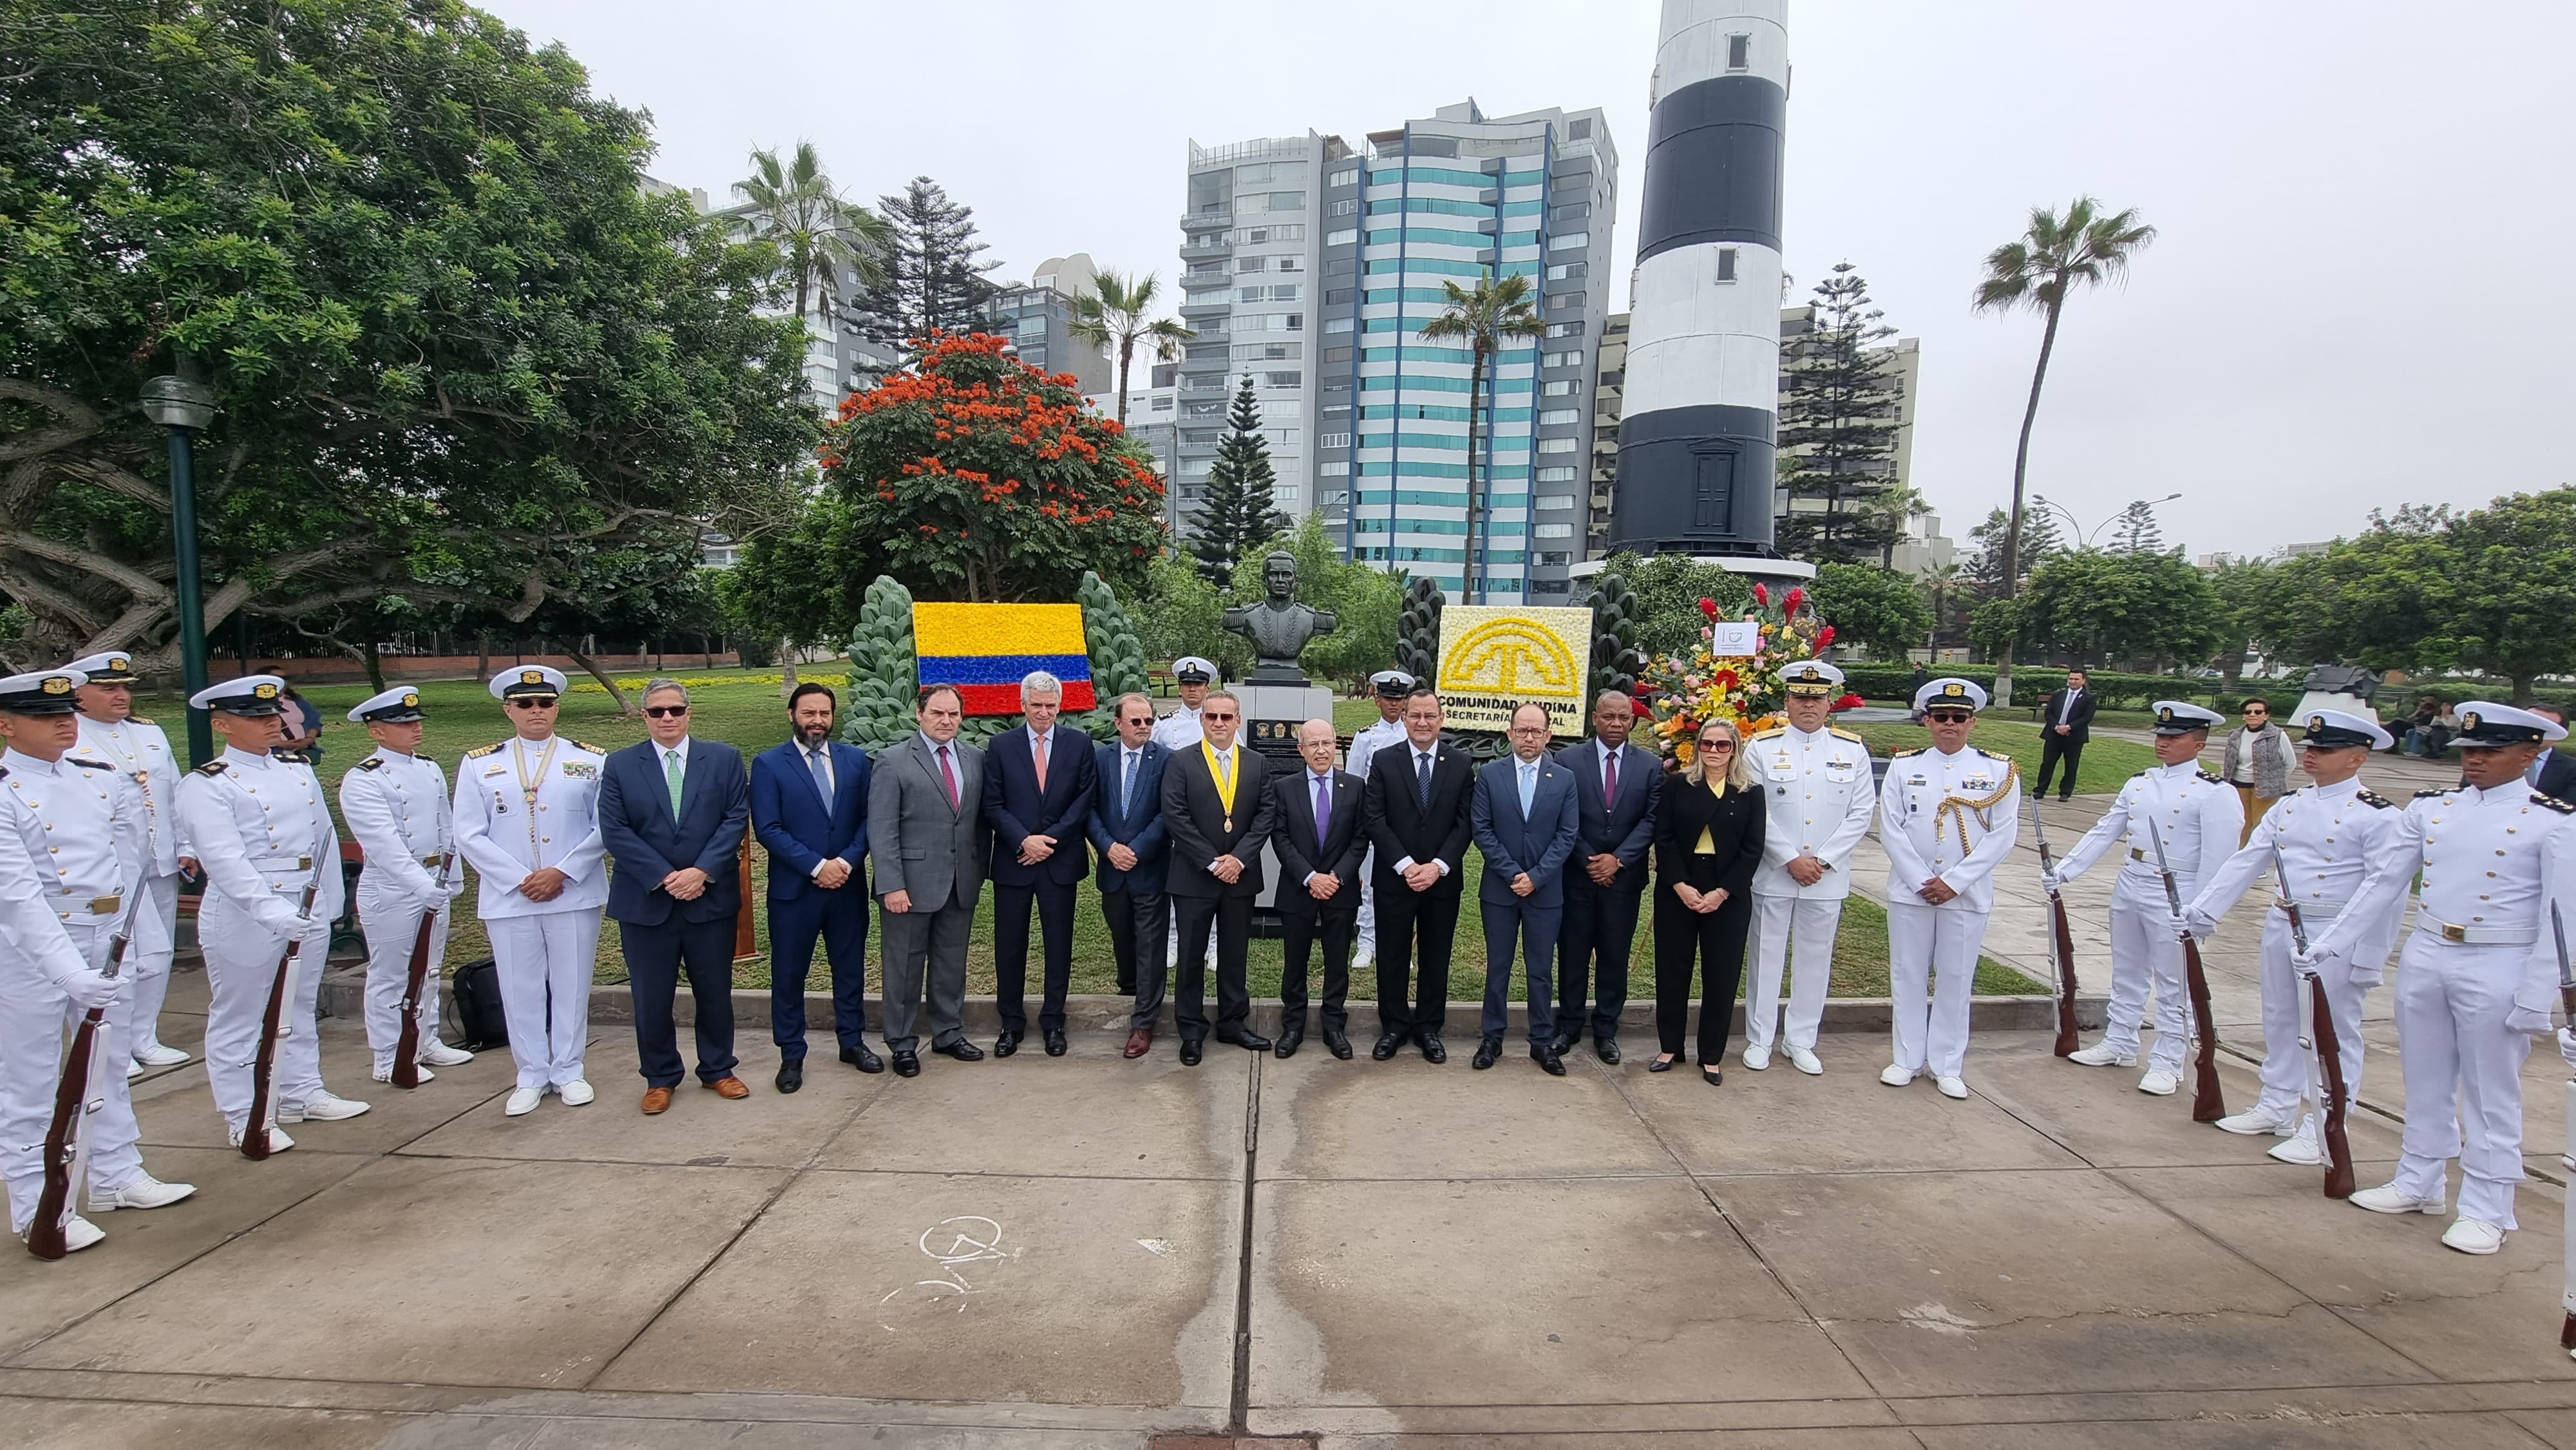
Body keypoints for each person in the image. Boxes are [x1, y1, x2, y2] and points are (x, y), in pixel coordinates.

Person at [2310, 702, 2576, 1255]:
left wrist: (2538, 995)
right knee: (2424, 1077)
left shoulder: (2553, 821)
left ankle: (2488, 1206)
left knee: (2489, 1089)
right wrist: (2332, 939)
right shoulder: (2433, 810)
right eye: (2470, 750)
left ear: (2532, 753)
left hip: (2500, 958)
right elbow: (2383, 883)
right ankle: (2419, 1178)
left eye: (2491, 751)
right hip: (2429, 949)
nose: (2475, 760)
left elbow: (2562, 921)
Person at [1, 667, 194, 1253]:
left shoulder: (96, 778)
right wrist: (68, 971)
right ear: (6, 725)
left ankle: (116, 1173)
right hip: (31, 950)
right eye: (44, 715)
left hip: (104, 936)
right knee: (30, 1083)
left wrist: (125, 943)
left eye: (65, 712)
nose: (64, 722)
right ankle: (37, 1204)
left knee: (106, 1069)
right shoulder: (5, 789)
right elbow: (17, 894)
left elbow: (125, 868)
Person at [2184, 710, 2405, 1161]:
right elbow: (2248, 860)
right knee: (2281, 1019)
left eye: (2325, 749)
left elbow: (2387, 893)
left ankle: (2324, 1122)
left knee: (2333, 1031)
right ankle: (2276, 1104)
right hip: (2283, 921)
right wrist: (2204, 910)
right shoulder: (2290, 805)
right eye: (2310, 747)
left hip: (2335, 930)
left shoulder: (2378, 817)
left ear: (2358, 758)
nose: (2312, 755)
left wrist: (2367, 959)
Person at [178, 674, 368, 1147]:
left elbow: (322, 839)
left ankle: (302, 1091)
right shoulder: (206, 784)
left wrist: (328, 902)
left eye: (271, 714)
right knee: (240, 1014)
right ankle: (243, 1114)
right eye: (255, 716)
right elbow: (224, 861)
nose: (269, 723)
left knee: (298, 1005)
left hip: (304, 901)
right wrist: (270, 910)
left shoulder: (295, 768)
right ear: (222, 724)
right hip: (248, 909)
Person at [2052, 701, 2244, 1095]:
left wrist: (2204, 910)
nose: (2163, 742)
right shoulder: (2139, 782)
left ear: (2198, 745)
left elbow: (2220, 859)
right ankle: (2120, 1041)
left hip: (2177, 890)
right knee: (2127, 969)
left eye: (2174, 737)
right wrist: (2066, 869)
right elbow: (2107, 829)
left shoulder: (2215, 793)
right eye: (2160, 735)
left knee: (2174, 980)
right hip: (2132, 879)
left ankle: (2169, 1060)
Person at [451, 665, 609, 1117]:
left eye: (545, 703)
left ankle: (569, 1068)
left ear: (557, 706)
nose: (536, 711)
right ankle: (531, 1073)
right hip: (511, 895)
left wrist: (562, 871)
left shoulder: (590, 759)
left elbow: (605, 827)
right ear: (509, 709)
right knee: (520, 988)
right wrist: (519, 877)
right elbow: (468, 832)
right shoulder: (481, 763)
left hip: (572, 892)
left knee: (571, 983)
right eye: (525, 704)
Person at [596, 680, 751, 1113]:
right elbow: (616, 831)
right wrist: (666, 877)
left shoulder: (723, 759)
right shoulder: (621, 765)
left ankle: (719, 1069)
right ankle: (660, 1077)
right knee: (651, 995)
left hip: (708, 898)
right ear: (644, 716)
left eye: (676, 710)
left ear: (689, 713)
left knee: (715, 991)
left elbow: (735, 818)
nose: (668, 718)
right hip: (647, 903)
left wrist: (701, 871)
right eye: (658, 711)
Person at [1877, 679, 2023, 1097]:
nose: (1949, 725)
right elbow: (1891, 828)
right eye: (1941, 717)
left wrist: (1954, 882)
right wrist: (1923, 881)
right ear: (1927, 721)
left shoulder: (1998, 770)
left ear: (1972, 722)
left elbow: (2002, 835)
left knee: (1956, 979)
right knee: (1907, 974)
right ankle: (1906, 1057)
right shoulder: (1905, 767)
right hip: (1913, 891)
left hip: (1966, 894)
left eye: (1959, 718)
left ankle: (1946, 1064)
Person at [1743, 663, 1877, 1076]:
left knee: (1815, 960)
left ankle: (1800, 1039)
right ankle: (1760, 1039)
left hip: (1826, 875)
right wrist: (1789, 858)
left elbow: (1860, 813)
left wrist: (1820, 860)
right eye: (1800, 697)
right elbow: (1754, 811)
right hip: (1774, 872)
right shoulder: (1761, 748)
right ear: (1786, 701)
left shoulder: (1851, 750)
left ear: (1829, 703)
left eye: (1816, 698)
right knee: (1765, 957)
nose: (1808, 705)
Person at [65, 651, 194, 1075]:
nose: (121, 696)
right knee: (114, 955)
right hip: (107, 869)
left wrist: (186, 844)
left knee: (158, 953)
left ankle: (145, 1035)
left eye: (124, 687)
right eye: (108, 689)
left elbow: (174, 792)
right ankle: (110, 1040)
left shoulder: (149, 732)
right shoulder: (70, 739)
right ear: (78, 693)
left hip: (157, 860)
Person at [337, 687, 473, 1085]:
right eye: (403, 724)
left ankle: (426, 1039)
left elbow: (447, 825)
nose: (415, 729)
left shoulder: (428, 767)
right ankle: (388, 1052)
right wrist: (419, 884)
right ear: (377, 732)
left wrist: (454, 876)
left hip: (434, 877)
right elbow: (382, 843)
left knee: (428, 968)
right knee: (392, 972)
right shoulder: (364, 779)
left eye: (416, 721)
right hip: (394, 884)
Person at [750, 683, 878, 1090]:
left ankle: (851, 1041)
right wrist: (816, 866)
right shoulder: (769, 764)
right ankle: (791, 1054)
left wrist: (844, 862)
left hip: (846, 885)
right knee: (789, 974)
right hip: (795, 892)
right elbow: (768, 828)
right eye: (809, 713)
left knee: (849, 968)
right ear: (792, 715)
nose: (817, 721)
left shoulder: (856, 761)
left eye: (824, 713)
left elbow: (868, 820)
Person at [867, 685, 989, 1077]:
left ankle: (948, 1032)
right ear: (919, 714)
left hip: (960, 881)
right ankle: (902, 1042)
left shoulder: (974, 759)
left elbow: (977, 823)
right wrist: (891, 885)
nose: (946, 721)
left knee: (951, 963)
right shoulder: (893, 761)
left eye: (953, 714)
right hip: (910, 885)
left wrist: (978, 869)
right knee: (903, 967)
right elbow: (882, 829)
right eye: (938, 713)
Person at [983, 670, 1098, 1059]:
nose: (1044, 712)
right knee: (1010, 947)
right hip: (1015, 861)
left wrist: (1049, 841)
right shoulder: (1000, 746)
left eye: (1051, 706)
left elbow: (1083, 800)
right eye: (1037, 705)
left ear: (1060, 706)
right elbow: (993, 804)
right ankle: (1010, 1024)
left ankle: (1053, 1022)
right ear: (1023, 705)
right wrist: (1024, 840)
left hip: (1059, 861)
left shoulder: (1080, 745)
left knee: (1058, 945)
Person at [1160, 689, 1278, 1063]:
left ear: (1238, 721)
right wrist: (1213, 862)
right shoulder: (1181, 762)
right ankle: (1192, 1031)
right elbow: (1175, 817)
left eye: (1227, 718)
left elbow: (1265, 816)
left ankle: (1232, 1024)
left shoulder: (1257, 763)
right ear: (1202, 720)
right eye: (1212, 717)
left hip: (1240, 877)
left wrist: (1238, 860)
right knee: (1192, 956)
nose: (1219, 724)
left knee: (1233, 954)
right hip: (1195, 877)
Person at [1363, 686, 1475, 1062]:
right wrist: (1407, 865)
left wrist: (1438, 867)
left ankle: (1429, 1027)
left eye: (1430, 716)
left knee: (1435, 955)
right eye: (1415, 715)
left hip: (1442, 881)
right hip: (1396, 878)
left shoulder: (1460, 764)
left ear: (1441, 720)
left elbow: (1465, 824)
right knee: (1392, 954)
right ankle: (1393, 1026)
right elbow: (1374, 819)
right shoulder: (1383, 760)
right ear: (1405, 718)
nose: (1422, 722)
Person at [1650, 718, 1765, 1084]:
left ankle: (1711, 1055)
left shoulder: (1750, 792)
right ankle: (1670, 1046)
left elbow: (1753, 849)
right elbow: (1663, 838)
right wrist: (1679, 884)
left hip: (1726, 891)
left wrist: (1723, 892)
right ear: (1697, 747)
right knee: (1672, 970)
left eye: (1723, 745)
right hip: (1679, 886)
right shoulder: (1677, 785)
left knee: (1721, 973)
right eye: (1707, 744)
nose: (1714, 751)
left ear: (1735, 749)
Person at [1471, 703, 1580, 1075]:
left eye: (1536, 731)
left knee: (1540, 970)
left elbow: (1567, 836)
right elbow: (1481, 830)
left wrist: (1537, 876)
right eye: (1522, 731)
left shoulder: (1563, 779)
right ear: (1510, 734)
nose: (1529, 738)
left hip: (1545, 893)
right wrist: (1513, 873)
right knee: (1498, 967)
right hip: (1500, 892)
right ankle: (1493, 1038)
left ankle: (1541, 1041)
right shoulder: (1489, 774)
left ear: (1549, 735)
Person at [1553, 689, 1660, 1064]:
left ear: (1632, 721)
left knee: (1614, 955)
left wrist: (1619, 860)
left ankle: (1606, 1030)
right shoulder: (1567, 760)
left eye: (1623, 718)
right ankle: (1568, 1025)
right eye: (1608, 717)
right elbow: (1562, 815)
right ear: (1594, 718)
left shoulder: (1650, 765)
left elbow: (1651, 819)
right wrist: (1588, 858)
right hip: (1577, 878)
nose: (1616, 724)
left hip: (1624, 882)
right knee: (1573, 953)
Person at [1271, 717, 1367, 1059]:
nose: (1322, 750)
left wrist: (1336, 878)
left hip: (1340, 891)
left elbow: (1360, 840)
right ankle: (1293, 1025)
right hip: (1299, 889)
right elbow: (1279, 838)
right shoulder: (1284, 788)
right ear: (1301, 750)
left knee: (1337, 961)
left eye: (1327, 742)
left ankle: (1333, 1026)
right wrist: (1311, 877)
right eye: (1313, 744)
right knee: (1295, 961)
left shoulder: (1355, 787)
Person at [1090, 693, 1171, 1058]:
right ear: (1118, 723)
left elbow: (1168, 813)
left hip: (1149, 867)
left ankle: (1143, 1022)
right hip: (1112, 867)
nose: (1143, 728)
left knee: (1150, 945)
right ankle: (1129, 986)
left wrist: (1136, 849)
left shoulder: (1165, 759)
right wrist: (1109, 847)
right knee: (1121, 933)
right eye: (1136, 721)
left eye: (1149, 721)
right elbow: (1088, 809)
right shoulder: (1100, 758)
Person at [1345, 670, 1413, 971]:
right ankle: (1367, 943)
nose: (1394, 705)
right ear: (1377, 700)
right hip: (1375, 822)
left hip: (1407, 825)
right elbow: (1354, 783)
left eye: (1399, 700)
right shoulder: (1366, 738)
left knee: (1405, 887)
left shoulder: (1414, 735)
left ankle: (1400, 947)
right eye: (1388, 699)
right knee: (1369, 885)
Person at [2222, 699, 2300, 846]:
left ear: (2266, 715)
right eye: (2248, 712)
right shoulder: (2234, 735)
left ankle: (2257, 858)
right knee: (2240, 823)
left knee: (2260, 824)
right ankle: (2240, 855)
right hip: (2238, 786)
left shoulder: (2277, 735)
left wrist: (2274, 781)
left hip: (2265, 789)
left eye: (2258, 712)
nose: (2252, 715)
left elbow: (2290, 763)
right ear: (2243, 716)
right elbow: (2229, 762)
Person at [2034, 669, 2095, 802]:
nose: (2073, 682)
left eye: (2076, 679)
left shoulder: (2088, 698)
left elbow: (2087, 717)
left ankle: (2065, 792)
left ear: (2083, 681)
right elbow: (2048, 713)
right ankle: (2040, 790)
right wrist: (2056, 727)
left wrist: (2068, 727)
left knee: (2071, 765)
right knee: (2047, 763)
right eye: (2071, 679)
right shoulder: (2058, 695)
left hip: (2074, 737)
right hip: (2053, 735)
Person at [1153, 656, 1218, 751]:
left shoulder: (1219, 721)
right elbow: (1150, 754)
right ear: (1180, 689)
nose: (1192, 689)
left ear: (1207, 689)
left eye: (1198, 684)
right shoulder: (1164, 723)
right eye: (1187, 684)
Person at [2527, 705, 2576, 799]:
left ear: (2562, 734)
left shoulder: (2572, 769)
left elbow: (2569, 806)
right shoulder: (2492, 758)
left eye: (2546, 728)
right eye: (2529, 724)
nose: (2535, 732)